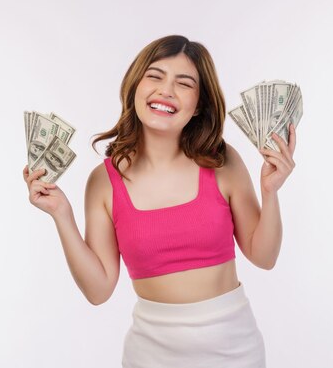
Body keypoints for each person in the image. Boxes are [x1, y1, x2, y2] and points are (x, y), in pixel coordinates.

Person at [22, 35, 297, 368]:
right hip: (150, 355)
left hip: (233, 350)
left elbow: (264, 256)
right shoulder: (103, 182)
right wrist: (61, 215)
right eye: (155, 76)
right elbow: (98, 291)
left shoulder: (222, 161)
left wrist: (270, 192)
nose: (166, 90)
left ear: (198, 106)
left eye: (184, 83)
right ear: (135, 87)